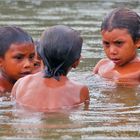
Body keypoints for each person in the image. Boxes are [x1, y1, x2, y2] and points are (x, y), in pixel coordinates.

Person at [11, 25, 90, 111]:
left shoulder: (21, 83)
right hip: (62, 123)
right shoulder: (81, 90)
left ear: (37, 55)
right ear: (76, 62)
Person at [93, 8, 140, 83]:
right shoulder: (102, 65)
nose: (112, 51)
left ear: (138, 41)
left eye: (118, 43)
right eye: (106, 43)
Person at [0, 26, 36, 96]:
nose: (28, 64)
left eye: (31, 57)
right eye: (19, 58)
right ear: (0, 62)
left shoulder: (35, 86)